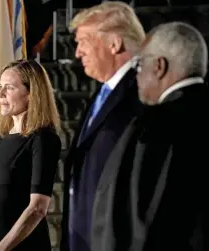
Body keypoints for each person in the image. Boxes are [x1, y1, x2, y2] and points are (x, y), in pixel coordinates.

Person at [91, 22, 209, 251]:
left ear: (159, 66)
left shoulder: (157, 123)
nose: (137, 76)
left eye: (139, 65)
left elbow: (146, 221)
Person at [61, 2, 146, 251]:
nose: (77, 53)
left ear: (114, 43)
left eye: (84, 41)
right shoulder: (102, 93)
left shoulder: (144, 94)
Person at [0, 60, 62, 251]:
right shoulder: (1, 142)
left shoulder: (43, 139)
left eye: (9, 88)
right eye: (1, 87)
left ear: (31, 93)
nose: (0, 95)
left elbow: (37, 209)